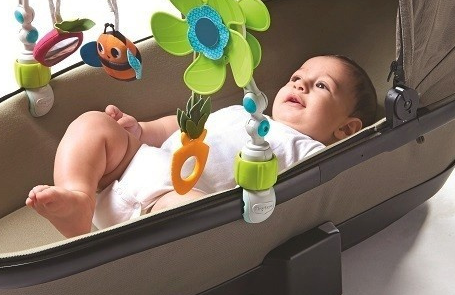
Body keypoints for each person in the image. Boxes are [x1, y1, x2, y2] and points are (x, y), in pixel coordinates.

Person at [27, 55, 377, 237]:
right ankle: (78, 198)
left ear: (346, 129)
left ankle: (131, 253)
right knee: (92, 124)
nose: (300, 85)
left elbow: (327, 184)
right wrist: (140, 131)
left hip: (171, 203)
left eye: (321, 86)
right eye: (297, 77)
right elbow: (182, 127)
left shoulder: (310, 151)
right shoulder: (244, 111)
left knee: (198, 213)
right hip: (130, 168)